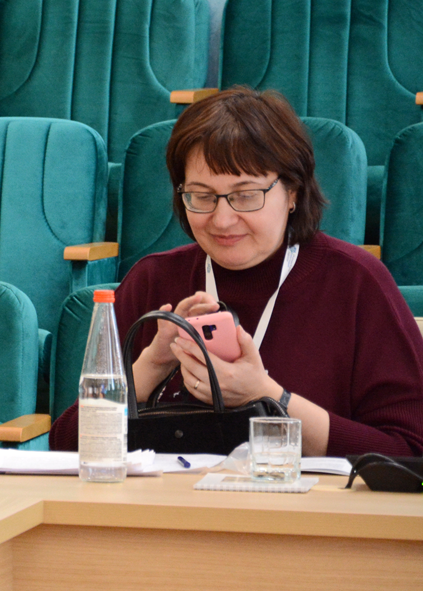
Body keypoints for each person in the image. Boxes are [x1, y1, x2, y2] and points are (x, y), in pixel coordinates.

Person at [50, 87, 423, 457]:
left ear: (293, 192)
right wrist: (150, 366)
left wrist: (269, 396)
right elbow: (66, 445)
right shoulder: (153, 281)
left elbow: (409, 451)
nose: (222, 219)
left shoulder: (356, 283)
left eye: (245, 195)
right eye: (202, 196)